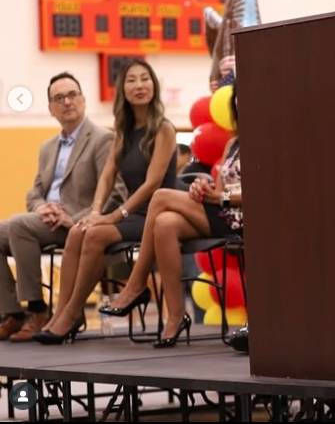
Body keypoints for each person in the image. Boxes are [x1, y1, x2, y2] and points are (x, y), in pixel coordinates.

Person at [34, 59, 177, 344]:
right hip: (131, 214)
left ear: (154, 85)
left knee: (96, 235)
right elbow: (108, 177)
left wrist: (112, 216)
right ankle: (64, 312)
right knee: (79, 230)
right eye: (131, 80)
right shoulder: (121, 131)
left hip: (155, 214)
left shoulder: (163, 129)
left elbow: (152, 184)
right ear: (122, 90)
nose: (139, 86)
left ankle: (72, 311)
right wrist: (96, 211)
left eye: (145, 79)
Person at [101, 79, 240, 348]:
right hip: (220, 213)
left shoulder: (270, 140)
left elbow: (264, 192)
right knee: (164, 223)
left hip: (244, 218)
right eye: (238, 101)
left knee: (161, 195)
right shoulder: (233, 142)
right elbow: (219, 186)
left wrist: (220, 197)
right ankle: (176, 316)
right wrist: (204, 188)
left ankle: (135, 284)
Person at [0, 73, 124, 343]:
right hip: (46, 221)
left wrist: (74, 218)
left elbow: (116, 193)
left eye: (72, 95)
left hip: (80, 223)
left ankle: (36, 310)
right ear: (50, 108)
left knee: (21, 225)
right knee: (3, 229)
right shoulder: (48, 147)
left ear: (83, 100)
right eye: (59, 98)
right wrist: (43, 206)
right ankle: (12, 313)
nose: (67, 102)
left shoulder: (102, 139)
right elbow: (35, 190)